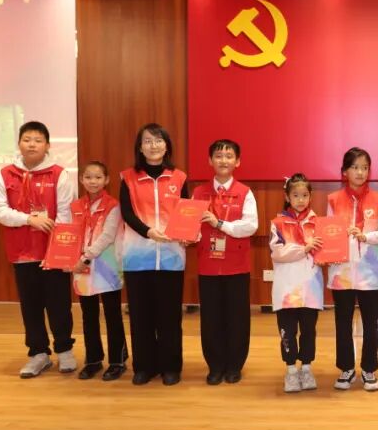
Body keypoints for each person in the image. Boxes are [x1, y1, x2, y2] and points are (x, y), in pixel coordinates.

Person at [0, 120, 77, 378]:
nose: (32, 144)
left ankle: (64, 349)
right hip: (22, 252)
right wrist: (28, 219)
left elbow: (66, 214)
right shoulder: (5, 174)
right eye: (27, 140)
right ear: (19, 143)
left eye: (38, 140)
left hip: (53, 253)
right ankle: (38, 353)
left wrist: (58, 250)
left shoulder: (59, 174)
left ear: (47, 145)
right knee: (31, 305)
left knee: (59, 304)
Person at [119, 123, 190, 387]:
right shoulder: (128, 177)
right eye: (147, 141)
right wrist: (148, 232)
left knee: (169, 316)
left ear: (166, 145)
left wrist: (187, 232)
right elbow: (126, 213)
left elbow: (186, 212)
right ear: (140, 147)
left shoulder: (179, 177)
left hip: (171, 257)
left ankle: (171, 366)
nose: (153, 145)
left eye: (158, 140)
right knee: (141, 316)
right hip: (137, 256)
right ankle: (144, 367)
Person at [191, 139, 259, 385]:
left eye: (229, 156)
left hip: (236, 265)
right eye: (218, 156)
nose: (223, 160)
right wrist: (188, 234)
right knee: (211, 318)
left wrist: (219, 224)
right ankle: (215, 366)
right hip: (208, 264)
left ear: (237, 162)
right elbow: (191, 226)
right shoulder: (198, 193)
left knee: (237, 317)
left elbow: (250, 226)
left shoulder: (245, 192)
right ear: (210, 161)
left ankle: (234, 365)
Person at [326, 147, 378, 392]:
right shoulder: (333, 199)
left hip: (370, 272)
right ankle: (346, 368)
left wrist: (366, 236)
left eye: (365, 167)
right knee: (342, 322)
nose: (360, 172)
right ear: (344, 171)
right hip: (341, 272)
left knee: (371, 323)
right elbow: (329, 233)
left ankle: (369, 368)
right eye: (355, 167)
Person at [71, 161, 127, 382]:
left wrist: (85, 256)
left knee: (112, 314)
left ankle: (117, 361)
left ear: (106, 180)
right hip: (81, 267)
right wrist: (71, 259)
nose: (92, 181)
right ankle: (93, 360)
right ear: (81, 179)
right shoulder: (76, 206)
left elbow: (107, 236)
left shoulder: (114, 205)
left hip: (106, 266)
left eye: (98, 177)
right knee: (89, 315)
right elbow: (70, 233)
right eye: (88, 177)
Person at [270, 174, 325, 393]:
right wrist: (304, 248)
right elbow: (278, 253)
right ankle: (291, 370)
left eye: (304, 195)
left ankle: (307, 368)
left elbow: (325, 251)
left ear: (310, 196)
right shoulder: (277, 223)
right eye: (295, 195)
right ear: (287, 197)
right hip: (286, 290)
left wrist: (330, 256)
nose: (300, 200)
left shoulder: (318, 223)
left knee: (309, 331)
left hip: (311, 289)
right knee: (288, 331)